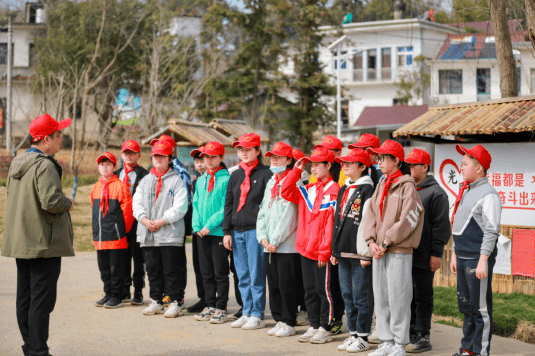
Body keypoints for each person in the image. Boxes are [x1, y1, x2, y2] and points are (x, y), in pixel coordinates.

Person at [2, 114, 74, 356]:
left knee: (25, 298)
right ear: (45, 139)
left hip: (22, 241)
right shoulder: (45, 164)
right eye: (57, 134)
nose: (61, 138)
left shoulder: (17, 161)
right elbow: (52, 202)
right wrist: (69, 203)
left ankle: (30, 347)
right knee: (41, 303)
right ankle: (38, 351)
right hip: (43, 243)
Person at [363, 140, 424, 356]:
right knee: (381, 296)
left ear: (396, 160)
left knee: (398, 297)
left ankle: (399, 343)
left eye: (382, 158)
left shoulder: (407, 186)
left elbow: (409, 218)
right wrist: (371, 242)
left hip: (398, 250)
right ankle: (386, 340)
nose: (378, 162)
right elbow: (370, 214)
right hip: (379, 250)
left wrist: (386, 241)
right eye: (378, 158)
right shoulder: (381, 183)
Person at [281, 146, 340, 344]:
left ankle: (325, 327)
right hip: (305, 249)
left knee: (324, 291)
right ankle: (314, 324)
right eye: (311, 165)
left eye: (317, 165)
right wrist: (296, 170)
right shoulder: (308, 189)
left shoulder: (335, 191)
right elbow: (285, 191)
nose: (313, 169)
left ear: (328, 165)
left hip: (321, 251)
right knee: (309, 290)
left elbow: (331, 225)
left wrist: (325, 251)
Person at [449, 145, 501, 356]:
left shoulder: (488, 194)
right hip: (462, 256)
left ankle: (481, 351)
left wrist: (483, 260)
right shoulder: (467, 190)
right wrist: (454, 252)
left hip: (476, 259)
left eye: (465, 164)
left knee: (480, 309)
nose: (461, 167)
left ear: (479, 168)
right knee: (467, 307)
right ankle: (467, 349)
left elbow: (491, 231)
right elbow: (458, 225)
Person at [132, 140, 189, 318]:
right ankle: (156, 300)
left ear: (169, 159)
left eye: (162, 156)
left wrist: (162, 220)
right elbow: (137, 203)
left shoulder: (177, 181)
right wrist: (144, 220)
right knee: (153, 269)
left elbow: (180, 207)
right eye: (155, 156)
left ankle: (174, 301)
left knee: (171, 269)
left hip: (169, 233)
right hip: (148, 232)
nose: (158, 159)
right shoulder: (145, 181)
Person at [223, 133, 272, 330]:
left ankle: (258, 314)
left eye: (248, 149)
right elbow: (229, 204)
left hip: (255, 231)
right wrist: (227, 231)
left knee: (256, 273)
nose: (243, 153)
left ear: (257, 151)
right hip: (236, 231)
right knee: (241, 274)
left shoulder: (266, 174)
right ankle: (246, 311)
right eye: (240, 149)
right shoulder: (235, 174)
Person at [404, 149, 451, 353]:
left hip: (425, 255)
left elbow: (441, 226)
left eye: (414, 164)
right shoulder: (409, 188)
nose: (410, 168)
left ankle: (423, 335)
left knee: (423, 295)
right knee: (409, 295)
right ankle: (411, 331)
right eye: (409, 164)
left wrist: (436, 253)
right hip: (406, 253)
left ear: (425, 167)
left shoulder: (436, 193)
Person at [331, 148, 377, 353]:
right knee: (347, 294)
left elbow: (370, 222)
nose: (345, 166)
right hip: (343, 251)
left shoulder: (368, 190)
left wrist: (367, 253)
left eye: (351, 162)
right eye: (344, 163)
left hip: (359, 253)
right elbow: (336, 220)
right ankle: (353, 334)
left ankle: (364, 336)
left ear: (363, 167)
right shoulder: (344, 188)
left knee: (361, 295)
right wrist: (334, 250)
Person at [257, 142, 301, 338]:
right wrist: (263, 237)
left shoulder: (294, 182)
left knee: (287, 284)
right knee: (273, 283)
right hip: (269, 245)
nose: (273, 160)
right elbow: (263, 211)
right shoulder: (271, 182)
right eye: (272, 157)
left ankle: (289, 321)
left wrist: (275, 239)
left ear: (289, 160)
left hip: (286, 245)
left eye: (278, 157)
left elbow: (291, 216)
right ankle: (279, 319)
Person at [308, 135, 346, 335]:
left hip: (333, 240)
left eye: (329, 150)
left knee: (334, 286)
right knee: (321, 286)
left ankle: (334, 320)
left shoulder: (343, 177)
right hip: (316, 241)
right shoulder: (316, 177)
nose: (325, 153)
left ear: (338, 154)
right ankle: (321, 320)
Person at [192, 141, 231, 324]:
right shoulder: (201, 180)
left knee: (219, 272)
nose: (208, 160)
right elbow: (196, 205)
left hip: (217, 232)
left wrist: (209, 225)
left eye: (213, 156)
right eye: (206, 156)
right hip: (202, 232)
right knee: (205, 271)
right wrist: (197, 226)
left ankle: (221, 307)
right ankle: (210, 304)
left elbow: (226, 207)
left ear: (221, 157)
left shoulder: (226, 179)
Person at [91, 151, 134, 309]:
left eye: (108, 164)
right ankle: (108, 293)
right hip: (100, 237)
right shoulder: (95, 187)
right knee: (104, 268)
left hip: (116, 236)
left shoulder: (120, 186)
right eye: (102, 165)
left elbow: (128, 212)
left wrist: (122, 231)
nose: (104, 168)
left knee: (116, 268)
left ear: (114, 167)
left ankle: (117, 295)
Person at [150, 135, 190, 306]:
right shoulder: (152, 171)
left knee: (175, 262)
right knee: (158, 262)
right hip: (156, 224)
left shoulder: (179, 172)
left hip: (174, 222)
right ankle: (164, 294)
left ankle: (176, 295)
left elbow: (182, 201)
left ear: (171, 152)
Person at [114, 140, 149, 305]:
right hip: (119, 222)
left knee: (138, 257)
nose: (128, 156)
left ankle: (138, 291)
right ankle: (124, 289)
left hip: (137, 222)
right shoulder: (116, 174)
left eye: (132, 153)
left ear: (138, 155)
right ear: (121, 154)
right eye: (126, 153)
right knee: (122, 257)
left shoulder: (145, 175)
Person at [187, 145, 208, 314]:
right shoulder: (195, 181)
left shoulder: (221, 178)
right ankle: (203, 298)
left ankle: (214, 300)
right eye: (197, 160)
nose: (200, 164)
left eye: (202, 160)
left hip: (213, 230)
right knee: (199, 266)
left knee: (213, 268)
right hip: (197, 229)